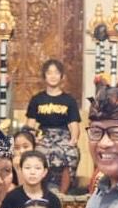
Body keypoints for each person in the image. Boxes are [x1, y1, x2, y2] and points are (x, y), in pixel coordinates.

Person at [25, 59, 81, 192]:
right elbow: (30, 124)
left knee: (71, 154)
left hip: (63, 136)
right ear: (44, 76)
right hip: (43, 136)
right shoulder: (37, 99)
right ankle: (40, 192)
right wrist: (33, 138)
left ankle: (62, 195)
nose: (53, 76)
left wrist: (73, 140)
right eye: (49, 73)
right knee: (38, 154)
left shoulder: (69, 100)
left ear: (62, 76)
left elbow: (74, 125)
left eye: (56, 73)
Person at [0, 150, 64, 208]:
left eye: (37, 168)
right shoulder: (11, 198)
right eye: (27, 168)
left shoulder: (53, 200)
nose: (32, 172)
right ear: (20, 170)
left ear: (44, 172)